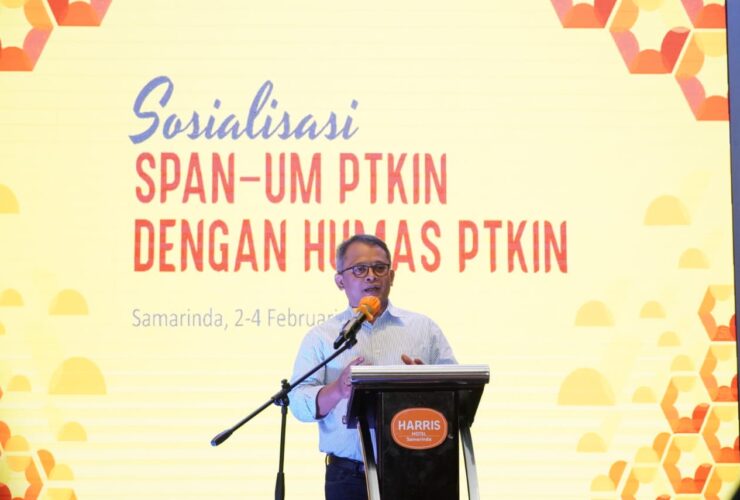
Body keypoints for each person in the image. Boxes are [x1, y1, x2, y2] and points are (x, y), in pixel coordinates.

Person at [288, 234, 456, 500]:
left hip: (417, 470)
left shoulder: (424, 329)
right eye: (359, 269)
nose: (371, 276)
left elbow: (456, 397)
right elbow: (298, 403)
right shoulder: (322, 337)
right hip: (349, 478)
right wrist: (338, 389)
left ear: (391, 276)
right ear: (340, 281)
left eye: (379, 268)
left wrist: (428, 386)